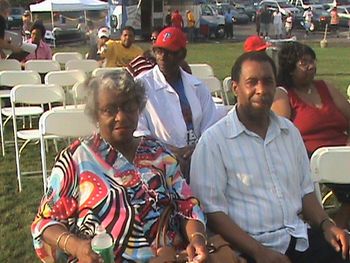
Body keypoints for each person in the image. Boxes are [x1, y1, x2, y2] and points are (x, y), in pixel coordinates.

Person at [31, 70, 208, 263]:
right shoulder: (75, 160)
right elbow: (45, 222)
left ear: (138, 109)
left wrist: (197, 240)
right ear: (95, 114)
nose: (121, 117)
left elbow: (188, 205)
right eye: (110, 110)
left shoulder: (158, 152)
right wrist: (77, 246)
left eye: (128, 107)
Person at [190, 51, 350, 263]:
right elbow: (213, 213)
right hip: (247, 248)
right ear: (235, 87)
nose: (261, 90)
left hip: (296, 237)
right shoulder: (214, 142)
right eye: (252, 82)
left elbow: (306, 192)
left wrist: (327, 225)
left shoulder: (289, 132)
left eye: (268, 82)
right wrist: (259, 252)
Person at [271, 42, 350, 229]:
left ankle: (340, 222)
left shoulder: (325, 87)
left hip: (343, 151)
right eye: (304, 62)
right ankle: (336, 226)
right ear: (290, 68)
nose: (311, 66)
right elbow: (282, 135)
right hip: (311, 158)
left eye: (312, 61)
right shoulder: (284, 95)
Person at [134, 27, 219, 181]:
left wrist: (196, 150)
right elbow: (139, 132)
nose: (162, 57)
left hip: (198, 160)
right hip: (158, 165)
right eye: (158, 51)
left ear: (182, 55)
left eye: (170, 52)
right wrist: (169, 152)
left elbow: (211, 127)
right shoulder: (141, 86)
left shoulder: (197, 86)